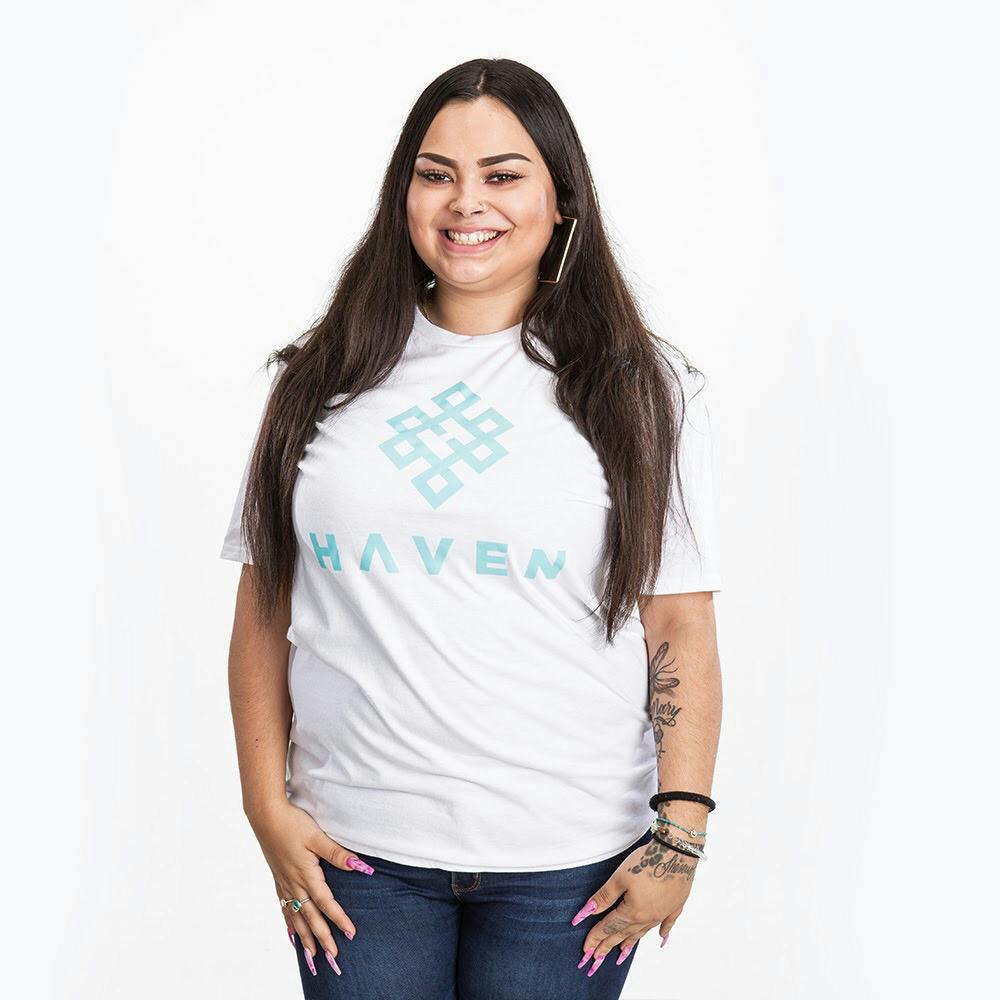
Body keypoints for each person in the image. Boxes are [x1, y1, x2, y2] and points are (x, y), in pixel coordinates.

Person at [220, 57, 724, 1000]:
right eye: (436, 173)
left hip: (569, 863)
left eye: (503, 174)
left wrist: (681, 834)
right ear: (402, 193)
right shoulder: (318, 377)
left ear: (561, 198)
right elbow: (265, 604)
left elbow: (678, 621)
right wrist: (264, 806)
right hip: (354, 855)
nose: (466, 203)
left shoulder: (642, 388)